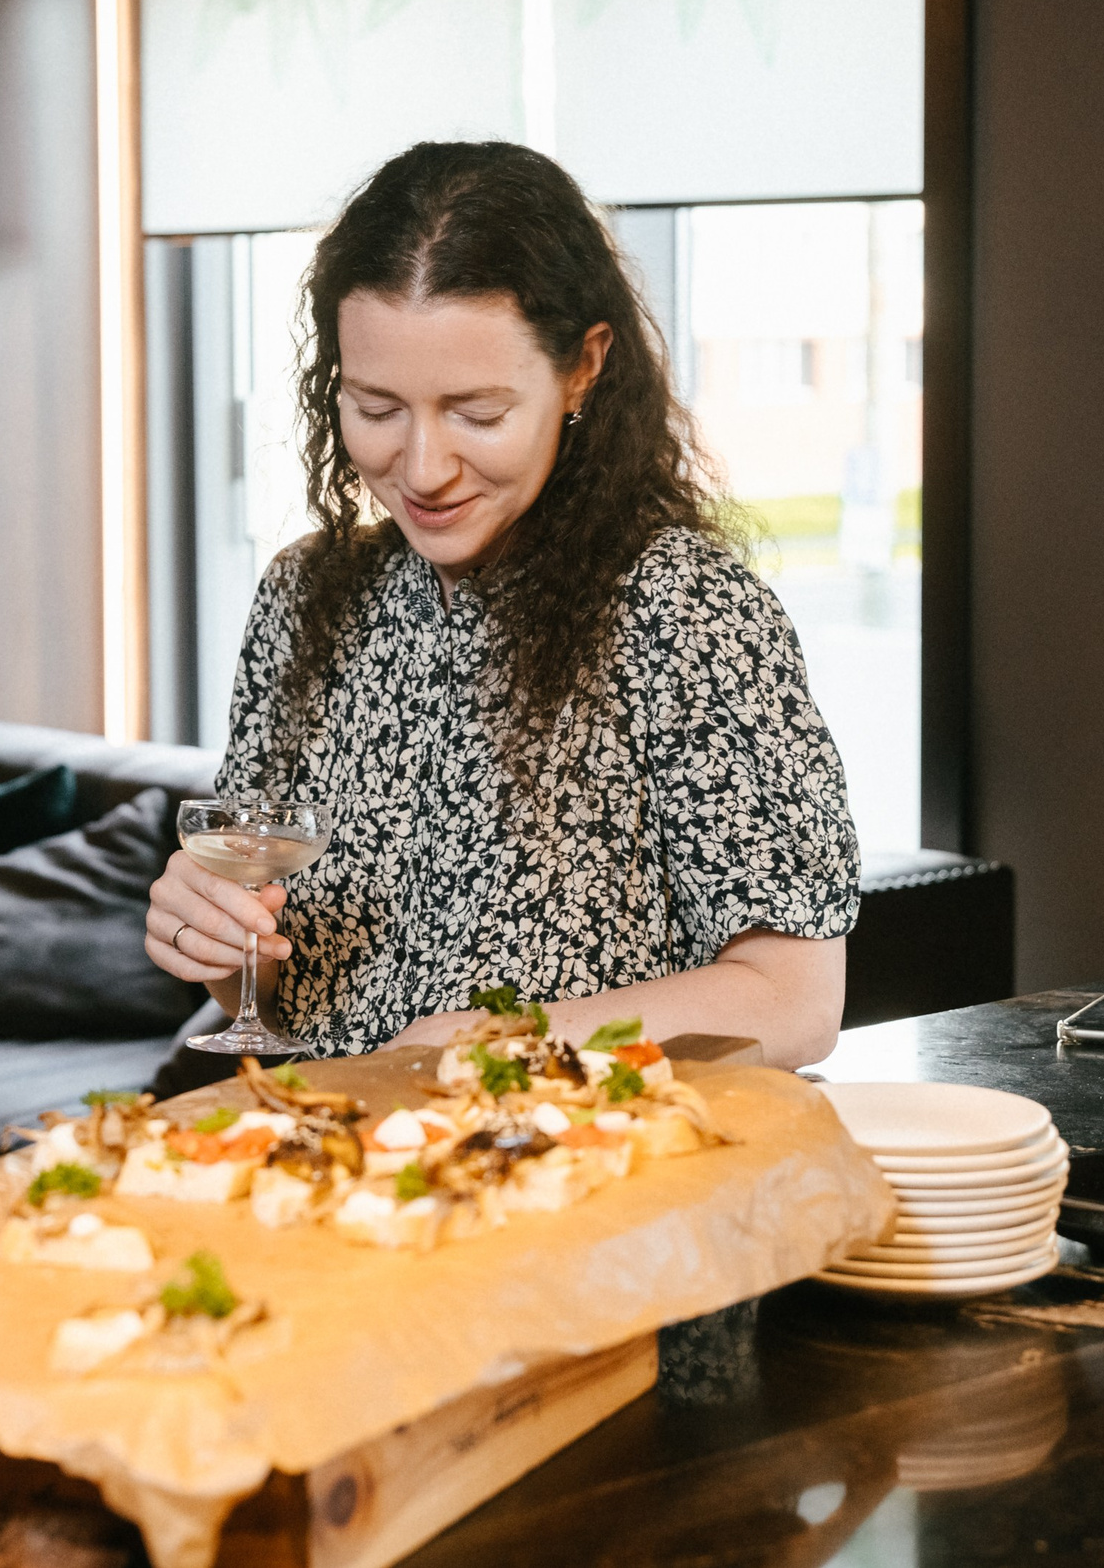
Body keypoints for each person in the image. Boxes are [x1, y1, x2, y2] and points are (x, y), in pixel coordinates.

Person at [143, 141, 859, 1070]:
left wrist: (501, 1044)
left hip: (571, 1183)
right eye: (375, 407)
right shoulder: (304, 597)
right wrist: (216, 945)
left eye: (478, 413)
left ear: (582, 369)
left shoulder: (683, 608)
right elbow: (288, 995)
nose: (426, 466)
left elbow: (796, 1002)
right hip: (330, 1167)